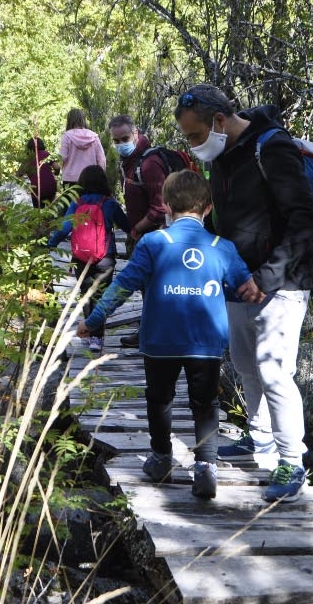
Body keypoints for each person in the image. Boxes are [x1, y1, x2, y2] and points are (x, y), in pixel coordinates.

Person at [76, 170, 264, 500]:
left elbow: (122, 286)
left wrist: (93, 320)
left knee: (159, 399)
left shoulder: (153, 243)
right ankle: (206, 467)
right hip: (206, 343)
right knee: (205, 404)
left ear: (165, 206)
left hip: (160, 340)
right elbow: (246, 290)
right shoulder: (222, 247)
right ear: (208, 209)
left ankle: (162, 457)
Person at [174, 84, 313, 503]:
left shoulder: (271, 149)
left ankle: (292, 461)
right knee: (243, 364)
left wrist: (268, 276)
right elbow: (225, 222)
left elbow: (304, 219)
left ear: (218, 121)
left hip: (282, 283)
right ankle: (260, 440)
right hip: (237, 281)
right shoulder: (221, 158)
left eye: (194, 136)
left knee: (275, 371)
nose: (193, 145)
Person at [48, 164, 129, 352]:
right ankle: (97, 337)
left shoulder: (76, 202)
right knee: (101, 296)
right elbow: (127, 226)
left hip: (80, 257)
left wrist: (50, 243)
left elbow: (65, 228)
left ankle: (89, 334)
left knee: (86, 296)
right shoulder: (109, 203)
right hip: (105, 257)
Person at [108, 113, 167, 348]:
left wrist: (137, 229)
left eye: (124, 138)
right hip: (142, 236)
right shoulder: (132, 161)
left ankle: (155, 335)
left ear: (136, 133)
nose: (121, 144)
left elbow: (160, 207)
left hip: (151, 237)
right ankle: (147, 331)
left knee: (154, 288)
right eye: (116, 141)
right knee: (146, 288)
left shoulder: (149, 164)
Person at [59, 109, 106, 188]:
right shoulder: (94, 136)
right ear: (83, 120)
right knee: (89, 200)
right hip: (91, 179)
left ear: (69, 120)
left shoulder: (67, 136)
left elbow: (62, 158)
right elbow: (102, 159)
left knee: (72, 201)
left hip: (70, 180)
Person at [19, 136, 58, 208]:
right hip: (51, 187)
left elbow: (18, 175)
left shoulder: (28, 159)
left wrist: (26, 185)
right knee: (52, 211)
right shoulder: (46, 154)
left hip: (36, 189)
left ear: (29, 147)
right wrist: (56, 173)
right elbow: (57, 167)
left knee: (38, 214)